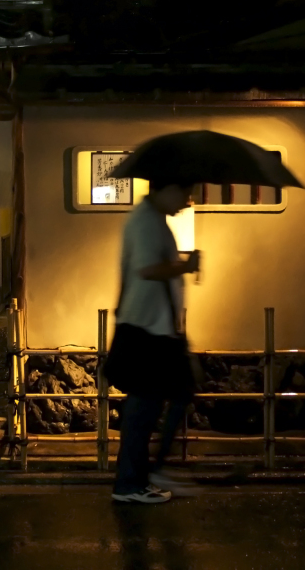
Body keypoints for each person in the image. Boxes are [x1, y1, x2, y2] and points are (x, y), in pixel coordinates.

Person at [111, 179, 200, 504]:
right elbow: (148, 269)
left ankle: (141, 476)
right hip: (148, 328)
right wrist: (185, 265)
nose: (188, 199)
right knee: (150, 405)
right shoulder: (147, 221)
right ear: (166, 186)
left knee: (164, 398)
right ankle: (136, 480)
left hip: (154, 326)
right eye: (185, 190)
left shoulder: (151, 219)